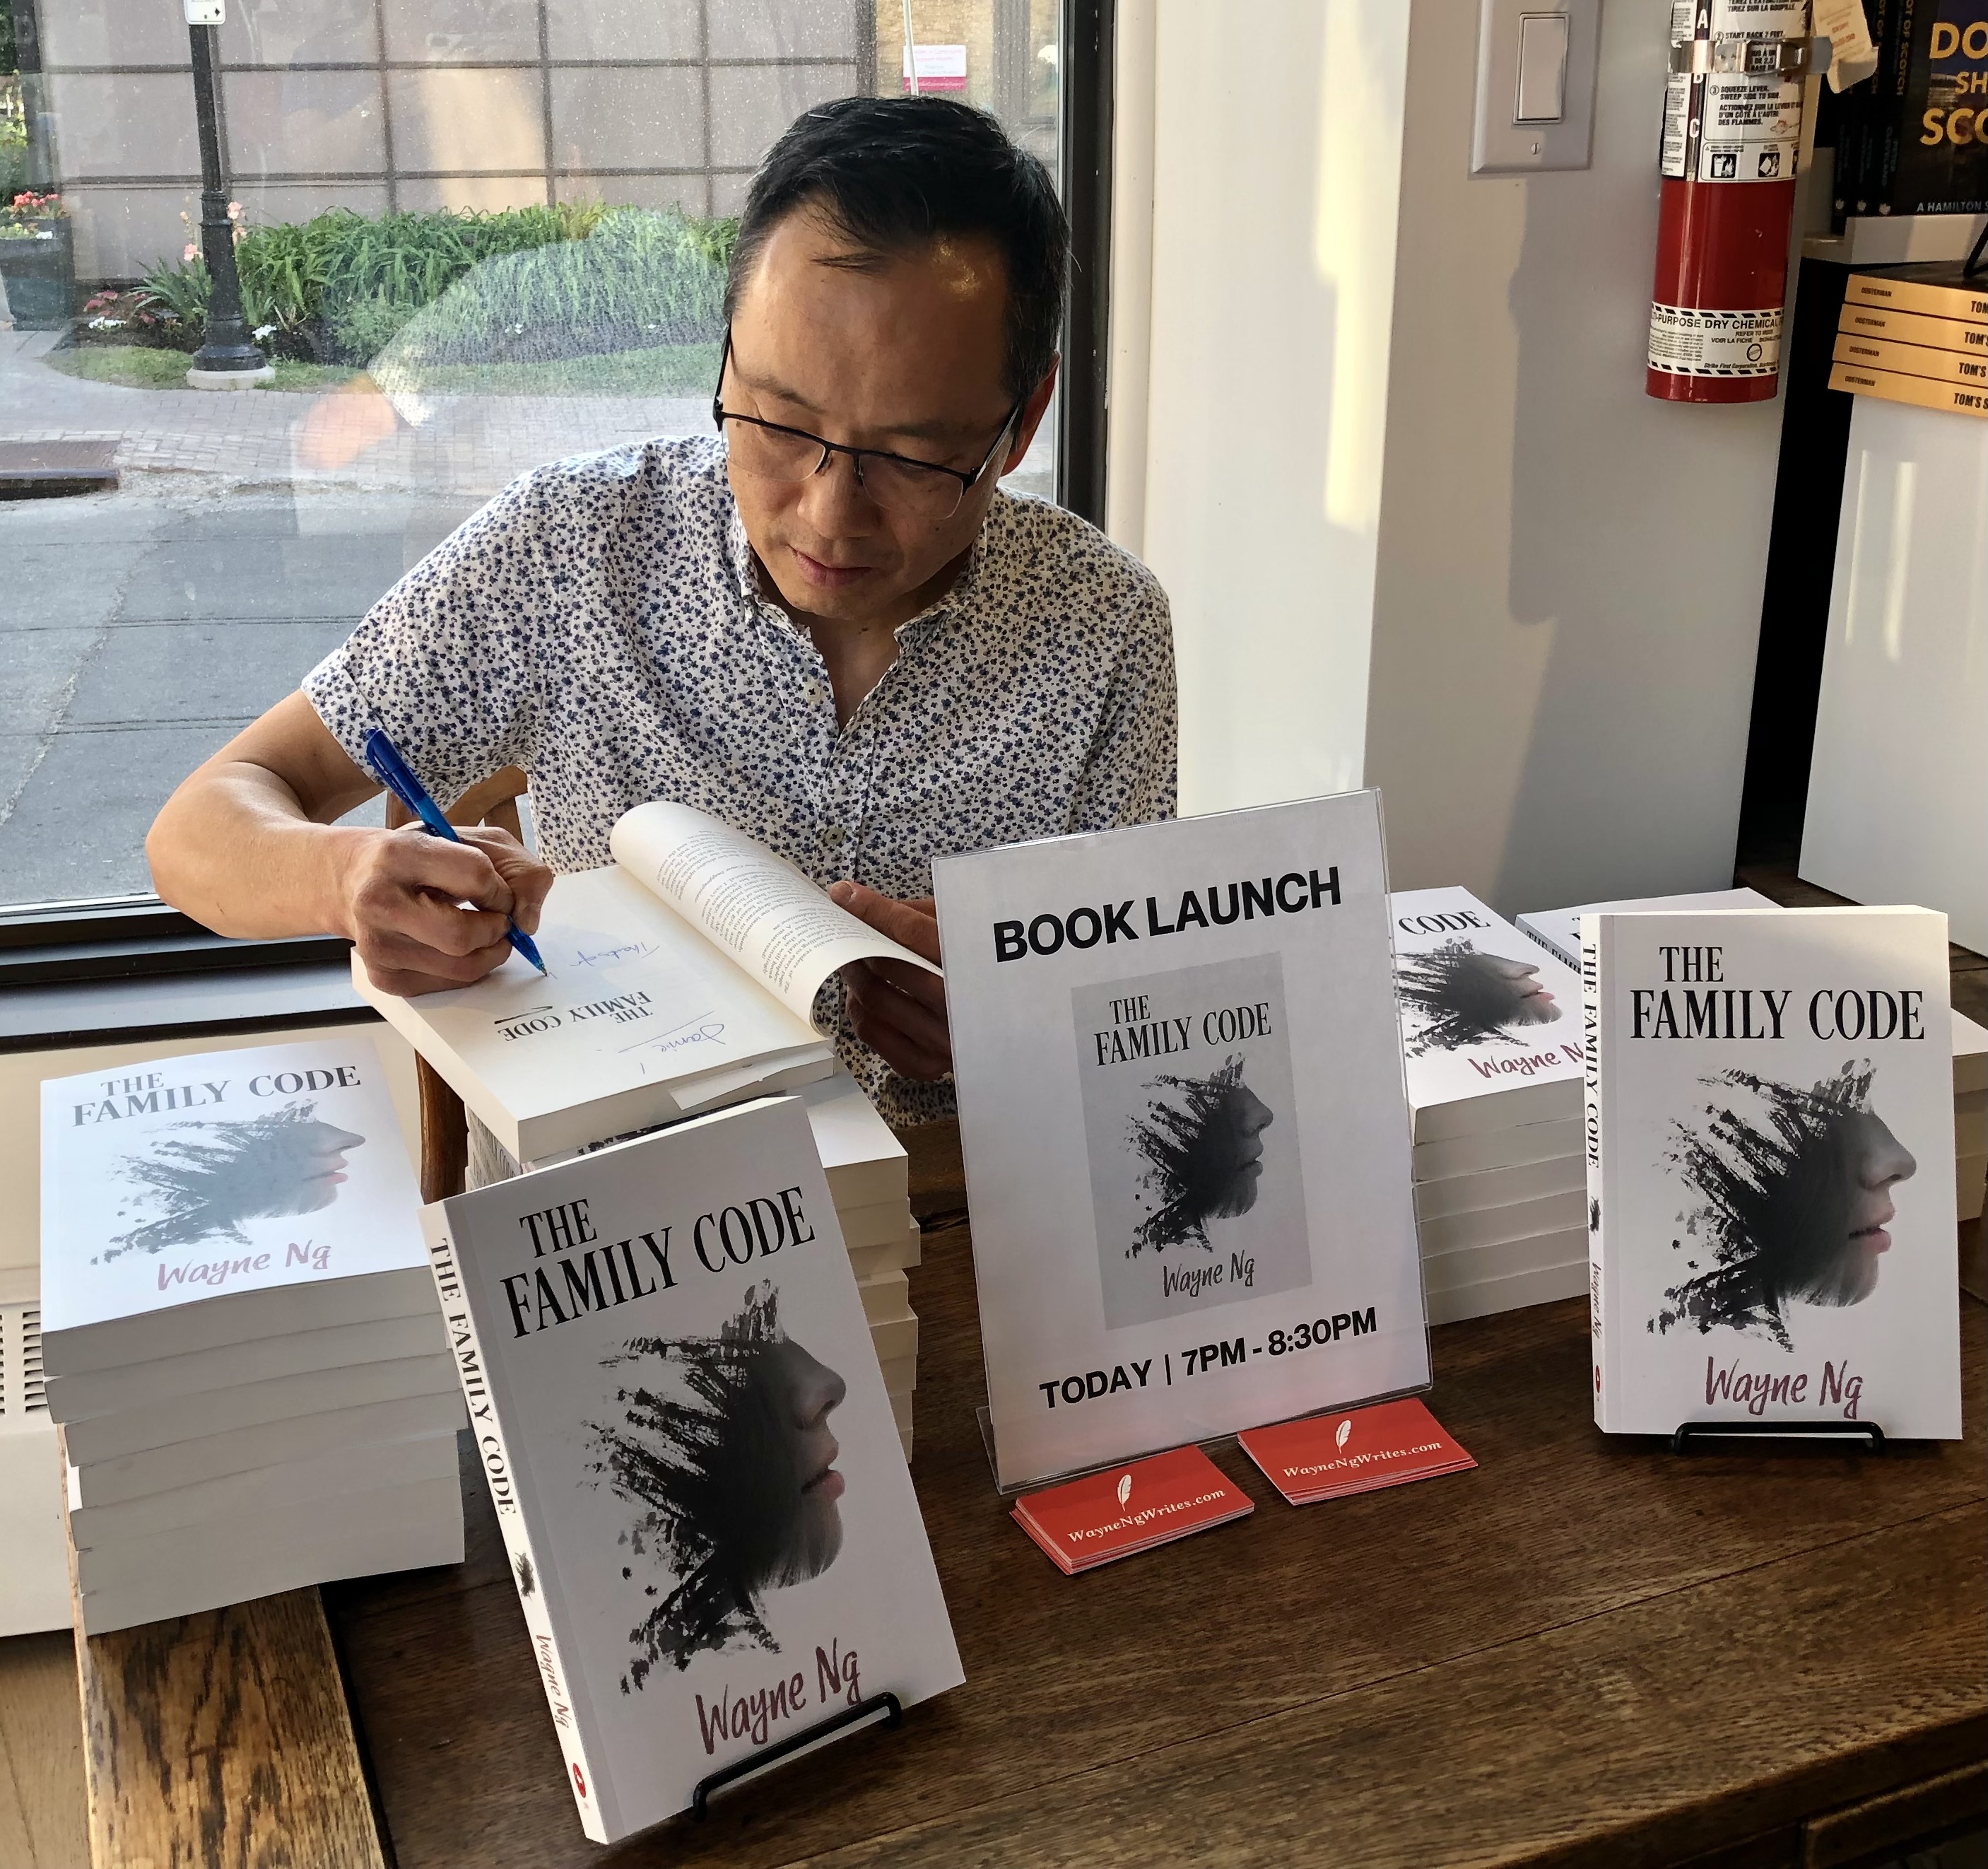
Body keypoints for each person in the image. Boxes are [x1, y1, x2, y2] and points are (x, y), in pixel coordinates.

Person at [147, 96, 1175, 1128]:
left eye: (910, 457)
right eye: (777, 421)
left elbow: (1146, 1005)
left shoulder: (1104, 626)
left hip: (965, 1205)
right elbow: (200, 827)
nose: (828, 515)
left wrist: (1016, 1015)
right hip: (643, 1210)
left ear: (1024, 417)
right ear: (726, 353)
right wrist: (348, 877)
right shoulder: (571, 546)